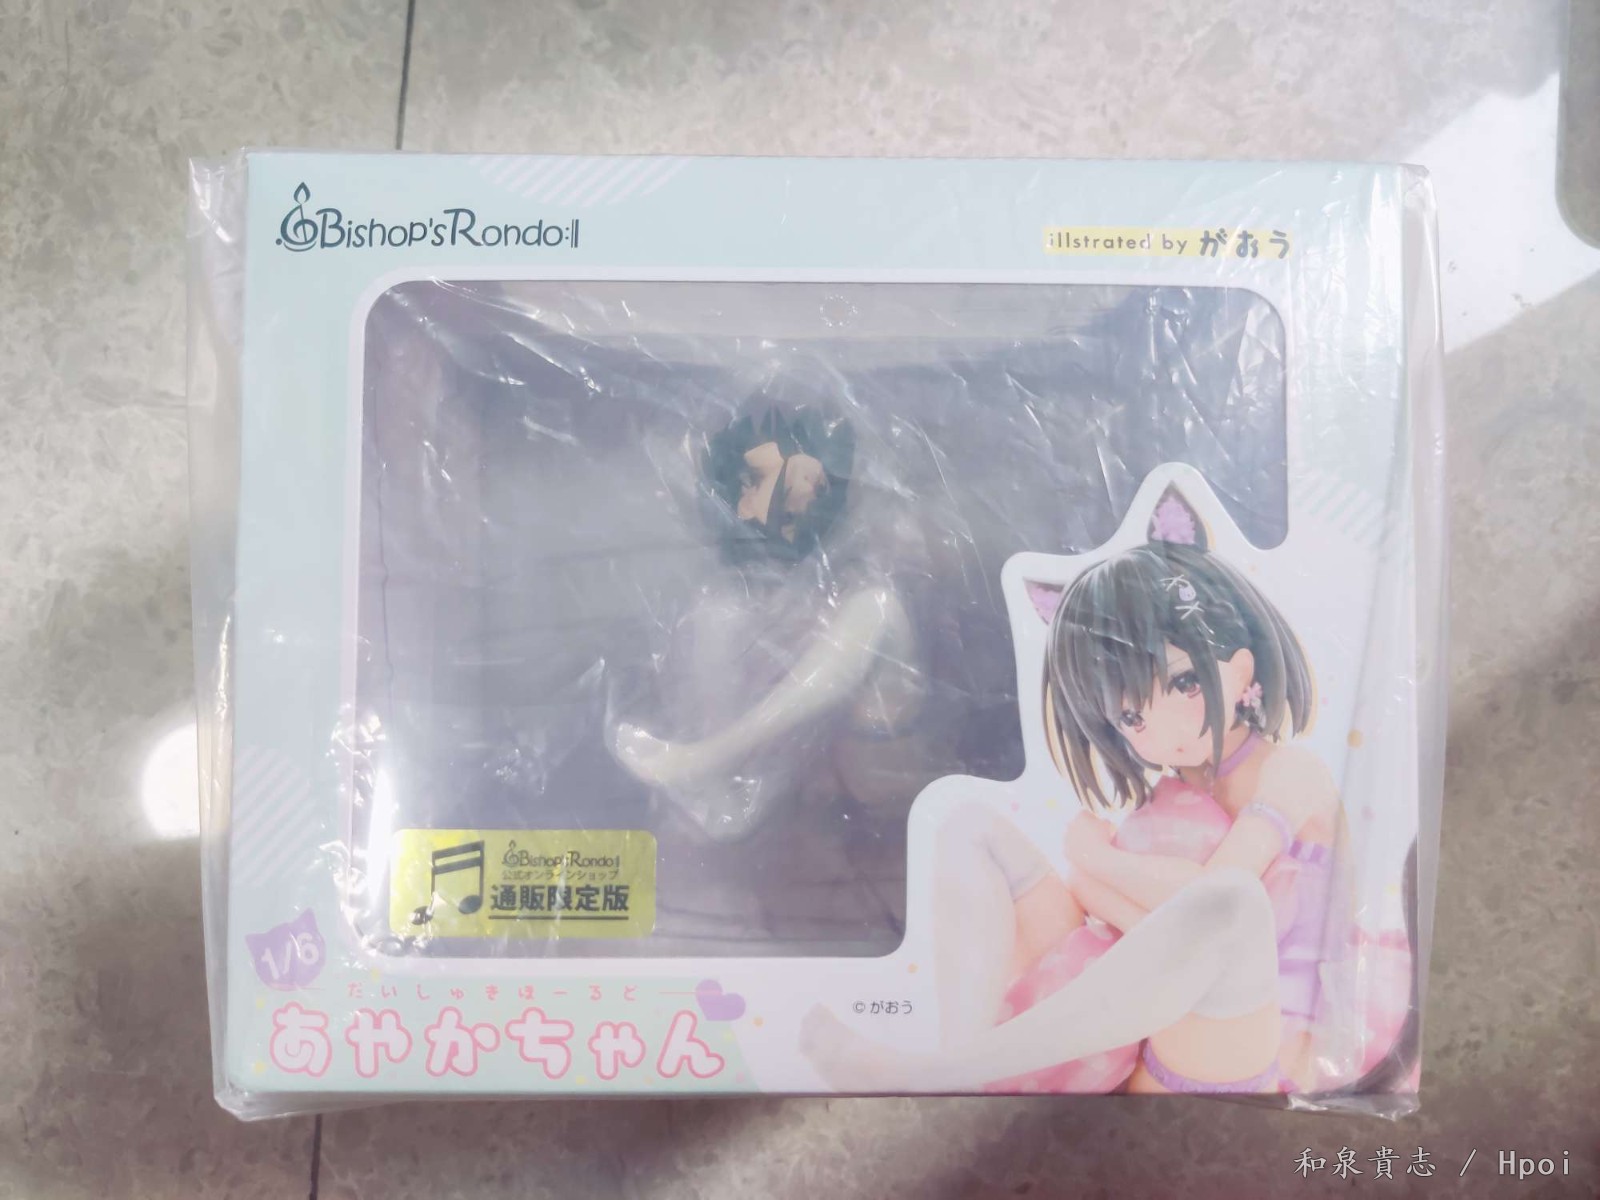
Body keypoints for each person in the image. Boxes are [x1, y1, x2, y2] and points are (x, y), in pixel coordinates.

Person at [800, 485, 1345, 1093]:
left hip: (1252, 1044)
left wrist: (1097, 861)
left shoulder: (1291, 772)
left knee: (1233, 903)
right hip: (1145, 1023)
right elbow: (1133, 918)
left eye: (1185, 683)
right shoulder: (1172, 799)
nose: (1164, 726)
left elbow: (1214, 901)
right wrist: (1110, 894)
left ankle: (943, 1072)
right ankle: (963, 1054)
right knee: (971, 829)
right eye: (1131, 716)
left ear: (1242, 670)